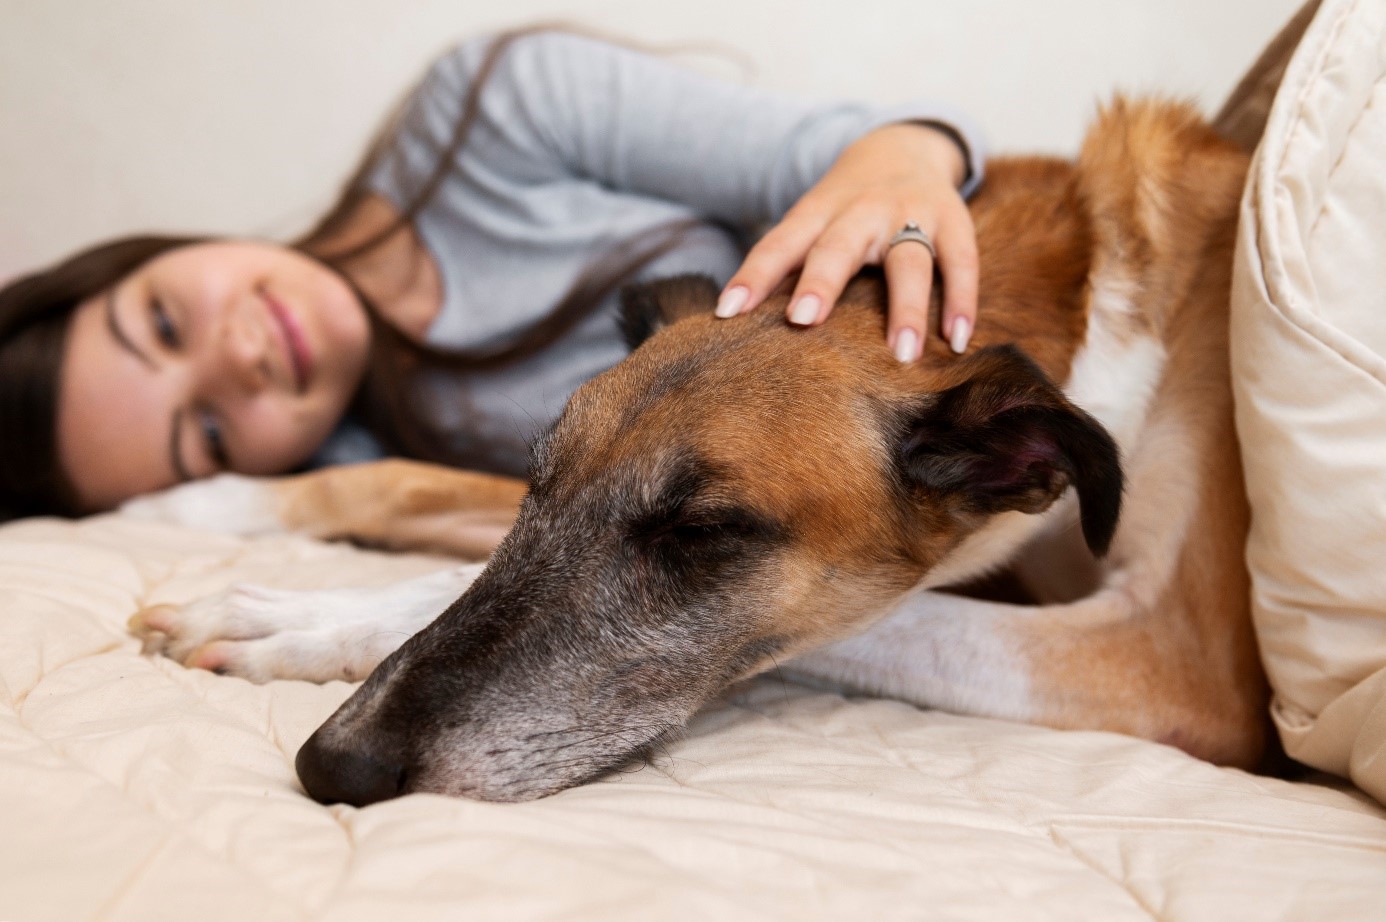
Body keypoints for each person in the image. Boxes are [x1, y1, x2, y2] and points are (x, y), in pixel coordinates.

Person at [0, 27, 986, 520]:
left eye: (165, 323)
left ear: (155, 253)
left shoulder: (494, 111)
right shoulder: (360, 483)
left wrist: (903, 159)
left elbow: (852, 155)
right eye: (208, 433)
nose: (238, 360)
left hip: (972, 367)